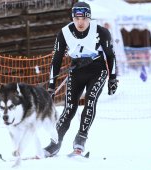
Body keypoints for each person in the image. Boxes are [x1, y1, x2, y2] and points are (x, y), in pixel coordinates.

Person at [43, 2, 118, 157]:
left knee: (90, 100)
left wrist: (112, 79)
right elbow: (55, 60)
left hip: (98, 70)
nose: (80, 22)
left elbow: (110, 56)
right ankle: (55, 143)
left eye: (84, 18)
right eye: (77, 19)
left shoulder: (101, 32)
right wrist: (51, 85)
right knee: (69, 108)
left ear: (89, 18)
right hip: (77, 71)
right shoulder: (64, 33)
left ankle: (80, 140)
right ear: (73, 18)